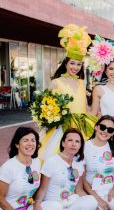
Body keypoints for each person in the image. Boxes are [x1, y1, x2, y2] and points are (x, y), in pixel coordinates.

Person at [39, 24, 96, 161]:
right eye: (72, 63)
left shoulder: (82, 83)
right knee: (57, 157)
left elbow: (86, 108)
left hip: (83, 126)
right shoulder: (56, 82)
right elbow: (46, 108)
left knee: (83, 159)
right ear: (66, 63)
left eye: (78, 64)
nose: (75, 67)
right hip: (62, 127)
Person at [34, 128, 97, 210]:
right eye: (70, 140)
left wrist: (96, 208)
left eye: (77, 141)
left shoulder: (79, 163)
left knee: (92, 201)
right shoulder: (51, 161)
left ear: (80, 145)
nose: (74, 144)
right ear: (63, 143)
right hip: (54, 207)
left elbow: (79, 190)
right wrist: (37, 204)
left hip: (69, 203)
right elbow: (42, 188)